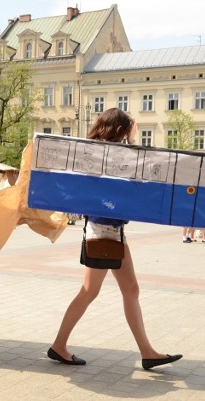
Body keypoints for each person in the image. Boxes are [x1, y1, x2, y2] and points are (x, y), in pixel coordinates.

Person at [48, 108, 182, 370]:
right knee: (90, 291)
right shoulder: (104, 156)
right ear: (120, 130)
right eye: (128, 129)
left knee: (129, 290)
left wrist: (130, 141)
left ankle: (147, 352)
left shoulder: (103, 153)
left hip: (109, 230)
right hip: (102, 230)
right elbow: (141, 168)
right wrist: (132, 140)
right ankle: (59, 345)